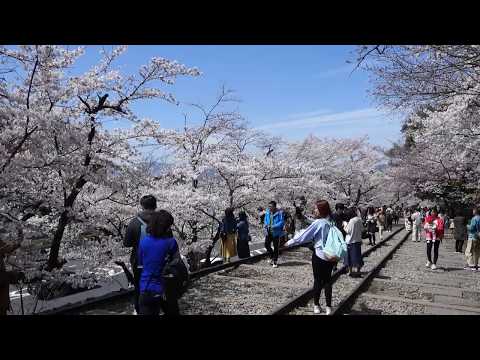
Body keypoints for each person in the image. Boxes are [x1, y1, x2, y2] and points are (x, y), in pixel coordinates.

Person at [285, 199, 337, 315]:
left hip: (319, 255)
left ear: (321, 210)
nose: (314, 210)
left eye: (316, 208)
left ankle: (316, 305)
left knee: (318, 280)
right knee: (328, 281)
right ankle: (329, 307)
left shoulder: (318, 223)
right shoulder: (332, 221)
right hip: (331, 255)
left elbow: (304, 236)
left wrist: (290, 242)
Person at [138, 210, 180, 315]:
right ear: (165, 227)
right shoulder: (171, 242)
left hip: (145, 288)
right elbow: (177, 260)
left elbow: (140, 265)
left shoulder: (143, 242)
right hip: (164, 288)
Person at [124, 194, 157, 314]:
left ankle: (139, 310)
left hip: (140, 262)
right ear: (155, 205)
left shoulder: (134, 222)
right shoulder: (163, 221)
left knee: (139, 287)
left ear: (142, 206)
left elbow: (127, 243)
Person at [344, 207, 364, 277]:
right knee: (358, 257)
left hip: (350, 241)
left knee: (349, 257)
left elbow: (347, 231)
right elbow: (362, 229)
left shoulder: (351, 221)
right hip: (358, 240)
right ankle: (358, 271)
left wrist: (345, 224)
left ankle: (350, 271)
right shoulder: (359, 219)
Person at [264, 201, 285, 268]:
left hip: (276, 233)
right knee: (266, 245)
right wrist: (266, 224)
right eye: (269, 206)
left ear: (274, 207)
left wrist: (274, 226)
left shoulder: (279, 213)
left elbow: (281, 222)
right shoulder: (267, 212)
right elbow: (265, 219)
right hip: (268, 231)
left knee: (276, 247)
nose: (269, 207)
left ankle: (275, 261)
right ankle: (271, 256)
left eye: (271, 206)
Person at [465, 207, 480, 271]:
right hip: (478, 236)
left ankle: (471, 265)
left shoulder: (474, 219)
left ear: (475, 211)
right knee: (478, 252)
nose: (472, 211)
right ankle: (478, 265)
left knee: (469, 251)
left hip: (473, 236)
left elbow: (472, 228)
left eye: (473, 210)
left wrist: (467, 226)